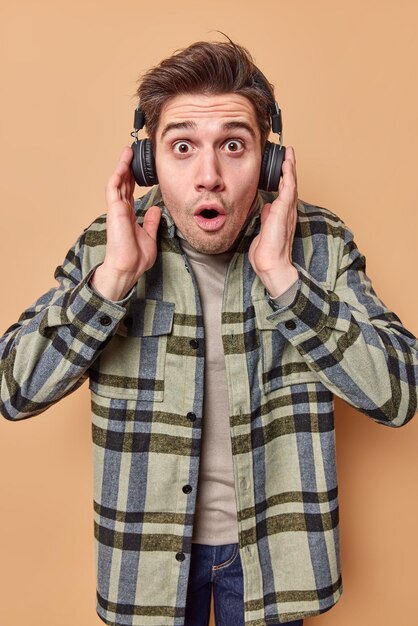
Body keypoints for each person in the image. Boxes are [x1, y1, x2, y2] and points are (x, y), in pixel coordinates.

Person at [1, 39, 417, 626]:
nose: (209, 177)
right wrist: (113, 281)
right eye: (182, 146)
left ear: (270, 161)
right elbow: (12, 388)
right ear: (148, 162)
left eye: (233, 145)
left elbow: (400, 393)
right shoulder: (107, 246)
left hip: (277, 557)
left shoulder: (318, 243)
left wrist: (284, 278)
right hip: (145, 562)